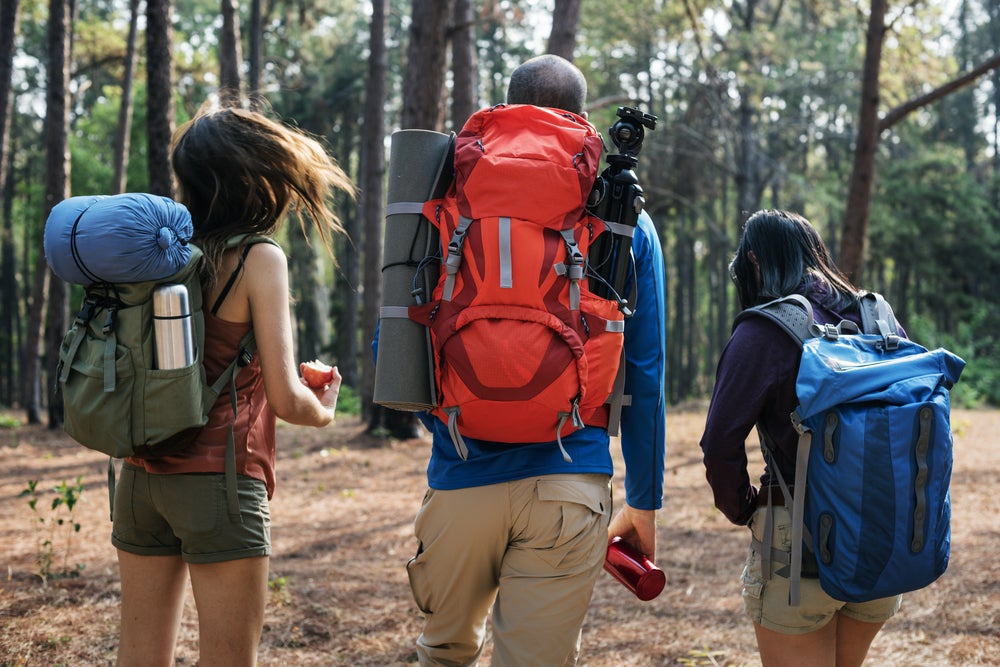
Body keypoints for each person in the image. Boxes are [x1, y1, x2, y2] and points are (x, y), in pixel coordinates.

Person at [401, 54, 667, 666]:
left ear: (509, 107)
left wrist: (455, 421)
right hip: (570, 483)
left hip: (460, 478)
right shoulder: (624, 219)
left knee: (444, 654)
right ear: (579, 120)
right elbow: (645, 374)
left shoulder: (446, 199)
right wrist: (644, 502)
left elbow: (395, 339)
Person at [112, 102, 355, 667]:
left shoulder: (156, 252)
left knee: (139, 657)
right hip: (219, 482)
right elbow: (291, 402)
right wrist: (325, 406)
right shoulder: (257, 257)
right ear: (253, 178)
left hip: (140, 476)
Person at [699, 209, 902, 667]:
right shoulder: (878, 317)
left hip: (799, 538)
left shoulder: (764, 331)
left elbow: (719, 443)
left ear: (753, 261)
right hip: (883, 535)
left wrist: (744, 508)